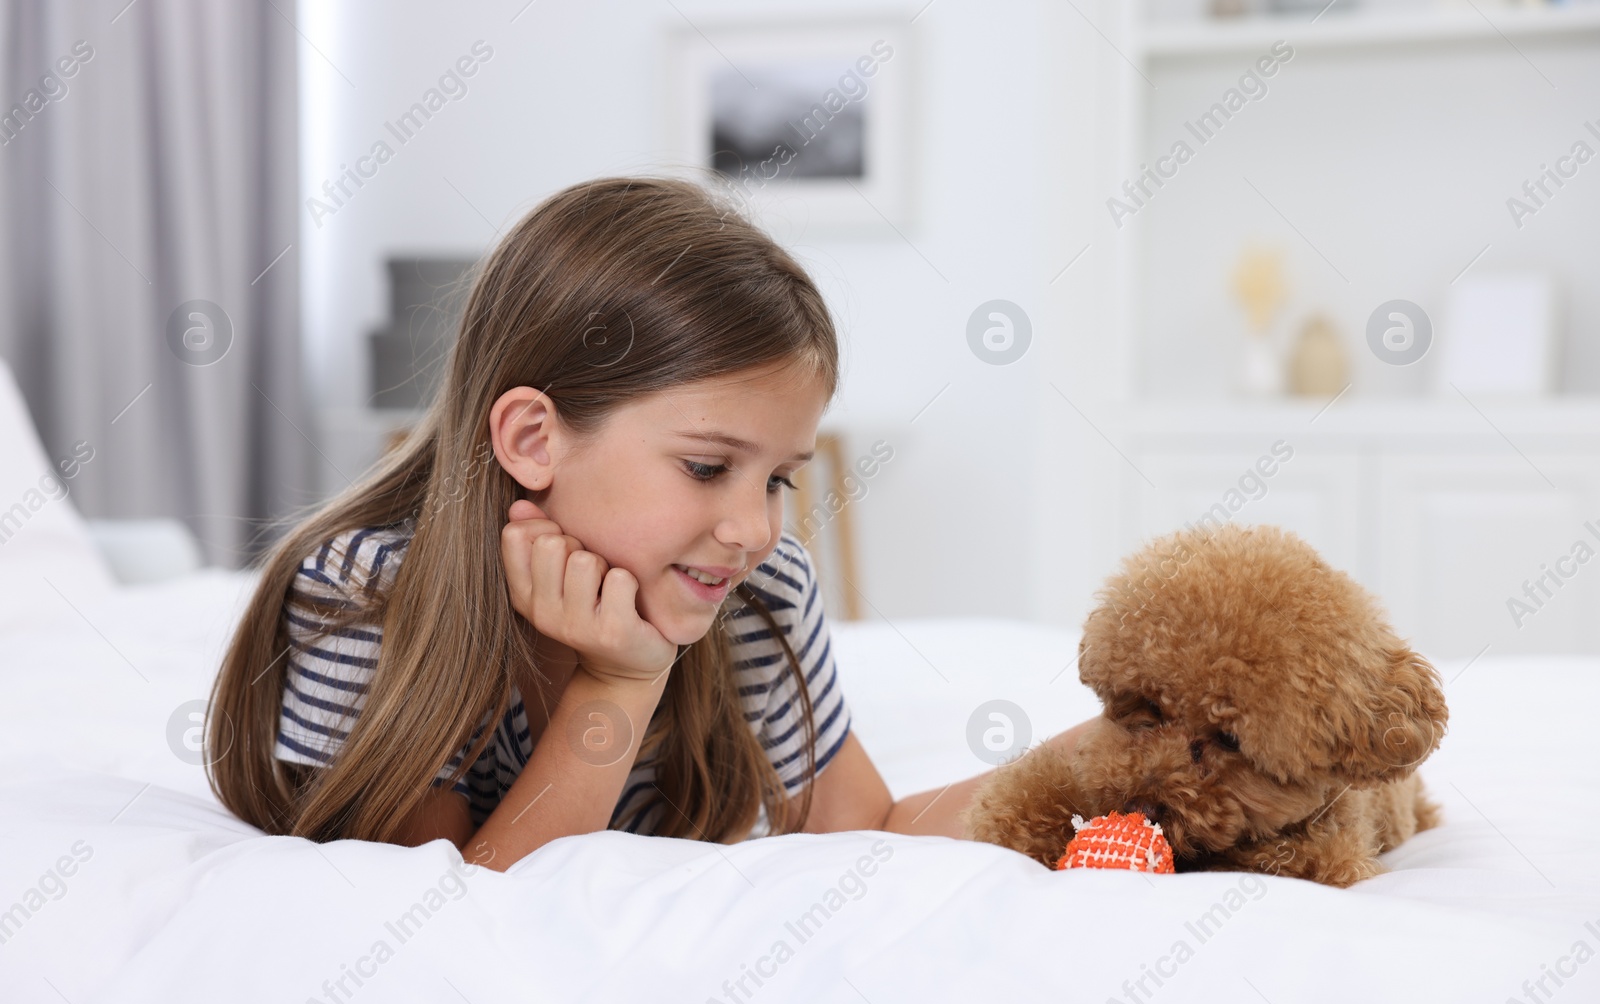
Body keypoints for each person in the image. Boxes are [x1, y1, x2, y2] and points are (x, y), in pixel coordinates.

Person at [206, 175, 1089, 872]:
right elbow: (455, 915)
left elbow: (870, 828)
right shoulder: (369, 594)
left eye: (779, 477)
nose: (754, 528)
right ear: (532, 438)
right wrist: (619, 683)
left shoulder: (759, 594)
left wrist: (1106, 758)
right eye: (706, 467)